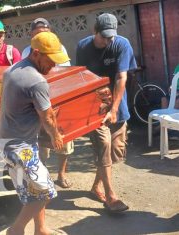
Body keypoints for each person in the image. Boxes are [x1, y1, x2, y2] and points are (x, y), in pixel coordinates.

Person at [0, 31, 69, 235]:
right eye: (51, 60)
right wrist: (56, 136)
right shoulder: (37, 81)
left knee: (33, 190)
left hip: (6, 143)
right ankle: (16, 230)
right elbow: (47, 117)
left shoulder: (12, 70)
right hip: (21, 148)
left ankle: (41, 229)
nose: (53, 65)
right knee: (45, 191)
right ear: (37, 53)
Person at [76, 13, 137, 212]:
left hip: (118, 106)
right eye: (104, 36)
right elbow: (82, 78)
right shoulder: (83, 47)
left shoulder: (122, 44)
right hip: (95, 107)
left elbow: (121, 78)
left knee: (115, 152)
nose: (108, 40)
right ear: (94, 31)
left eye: (111, 36)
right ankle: (111, 197)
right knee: (103, 145)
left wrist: (114, 109)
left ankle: (96, 186)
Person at [22, 17, 73, 188]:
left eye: (45, 31)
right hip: (37, 103)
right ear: (32, 35)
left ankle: (61, 173)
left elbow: (66, 73)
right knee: (41, 144)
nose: (42, 34)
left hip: (59, 98)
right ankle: (43, 174)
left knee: (64, 140)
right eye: (38, 32)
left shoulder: (60, 48)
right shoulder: (25, 52)